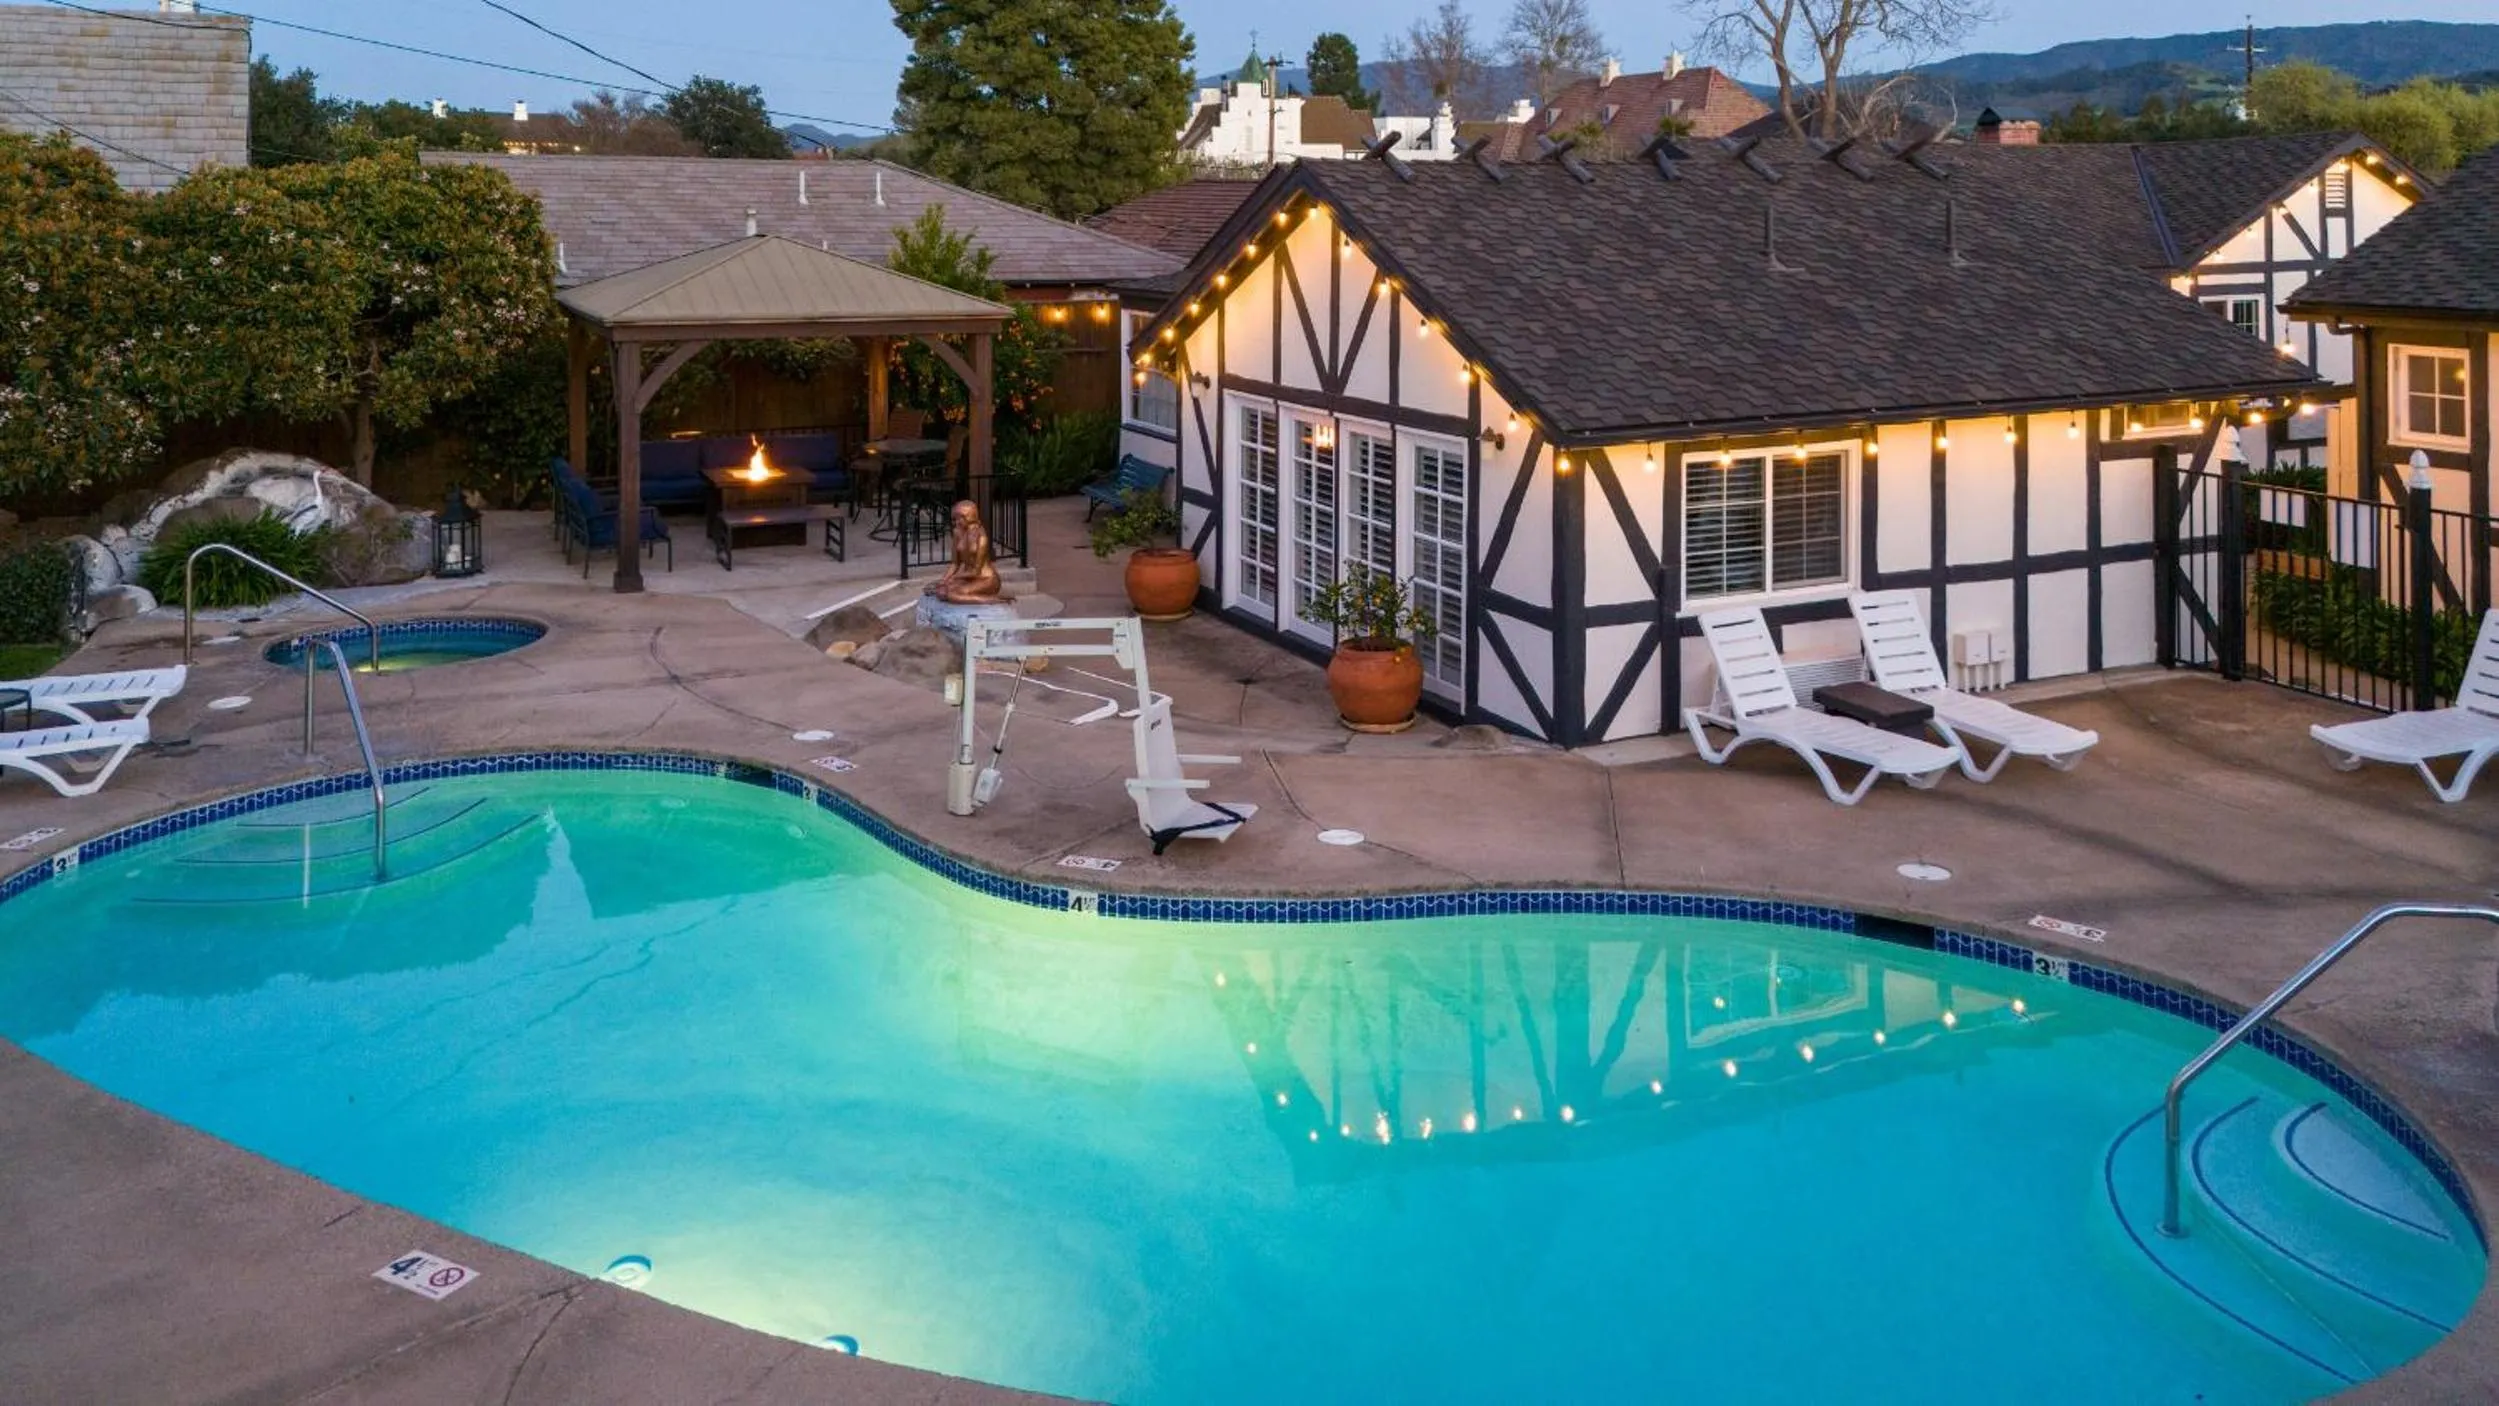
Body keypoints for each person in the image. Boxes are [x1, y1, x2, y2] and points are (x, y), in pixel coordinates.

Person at [930, 499, 1006, 603]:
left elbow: (976, 571)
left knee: (952, 595)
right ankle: (972, 596)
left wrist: (954, 578)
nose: (957, 522)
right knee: (941, 591)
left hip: (986, 578)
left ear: (969, 517)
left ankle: (987, 600)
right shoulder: (957, 533)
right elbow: (955, 564)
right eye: (955, 519)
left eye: (960, 519)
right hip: (967, 577)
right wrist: (944, 580)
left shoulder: (981, 537)